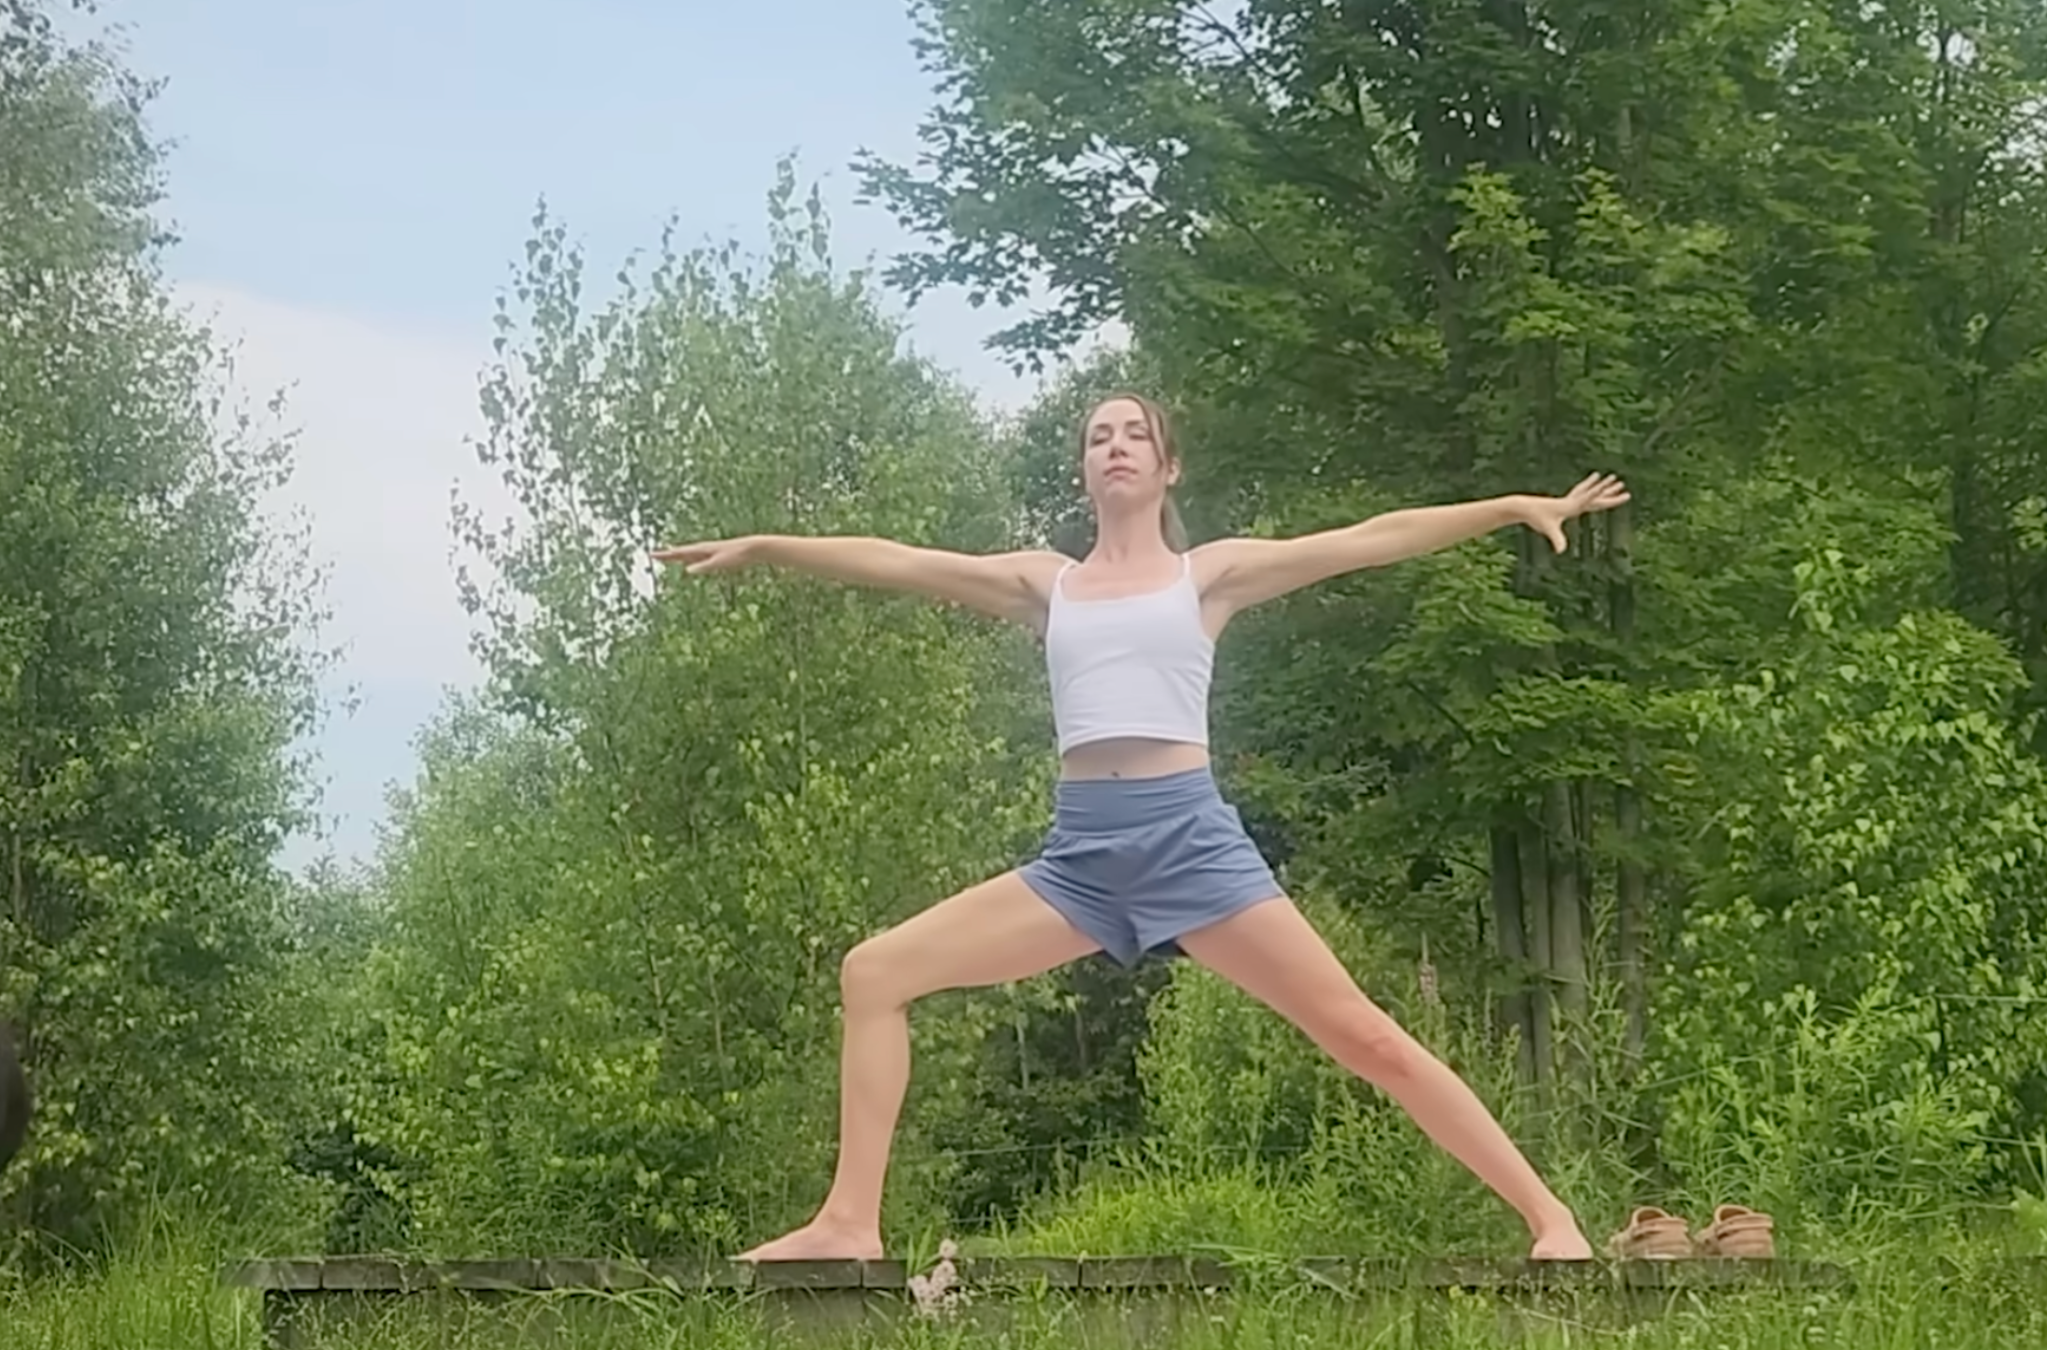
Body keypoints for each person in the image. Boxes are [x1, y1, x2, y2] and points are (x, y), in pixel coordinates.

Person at [651, 393, 1624, 1263]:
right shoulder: (1045, 584)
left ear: (1168, 468)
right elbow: (900, 563)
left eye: (1135, 434)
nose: (1114, 445)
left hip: (1190, 842)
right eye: (1097, 435)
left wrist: (1512, 507)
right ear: (1084, 469)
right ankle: (849, 1223)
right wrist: (771, 546)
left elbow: (1372, 535)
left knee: (1365, 1036)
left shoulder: (1210, 576)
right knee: (874, 972)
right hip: (1080, 859)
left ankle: (1552, 1219)